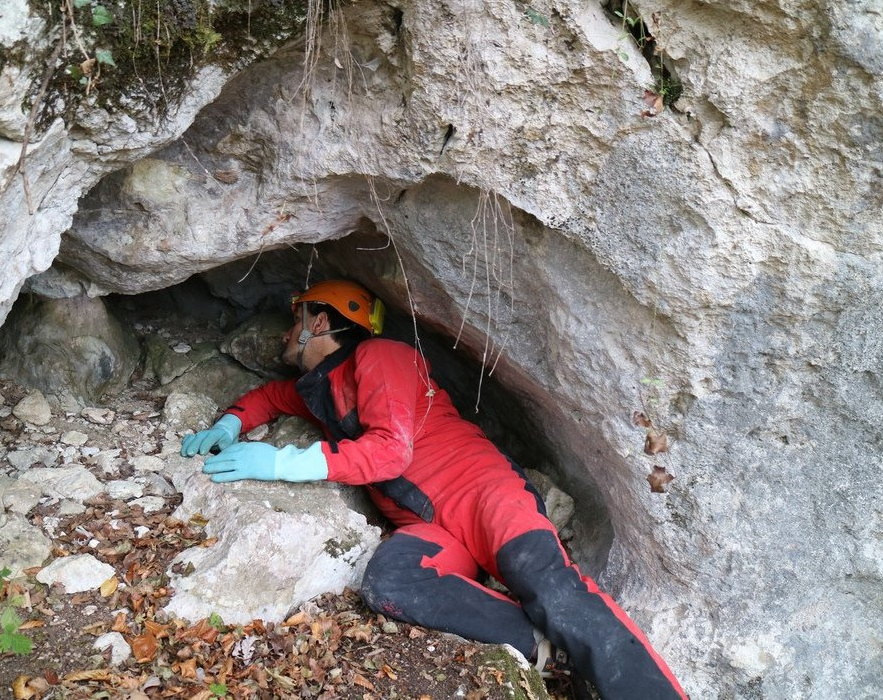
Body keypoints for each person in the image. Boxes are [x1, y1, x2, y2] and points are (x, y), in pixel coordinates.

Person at [181, 280, 687, 699]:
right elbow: (270, 397)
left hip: (484, 493)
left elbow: (390, 452)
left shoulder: (380, 356)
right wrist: (229, 423)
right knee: (390, 585)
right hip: (429, 527)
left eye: (296, 321)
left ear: (319, 322)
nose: (286, 334)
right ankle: (537, 643)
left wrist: (283, 463)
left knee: (552, 587)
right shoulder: (320, 391)